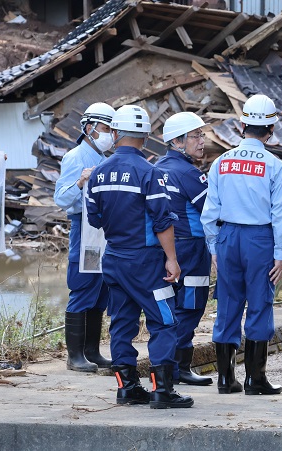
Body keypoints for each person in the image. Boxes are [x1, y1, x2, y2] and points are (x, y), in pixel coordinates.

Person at [86, 105, 193, 409]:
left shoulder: (98, 174)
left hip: (114, 260)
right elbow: (162, 221)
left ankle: (127, 388)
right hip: (146, 263)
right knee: (164, 321)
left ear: (116, 134)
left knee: (122, 322)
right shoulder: (151, 173)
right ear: (145, 137)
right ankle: (162, 391)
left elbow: (93, 219)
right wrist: (171, 259)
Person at [200, 94, 282, 396]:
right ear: (271, 130)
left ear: (241, 125)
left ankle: (226, 379)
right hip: (259, 240)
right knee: (259, 302)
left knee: (227, 304)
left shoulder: (221, 162)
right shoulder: (274, 166)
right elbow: (281, 213)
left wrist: (214, 247)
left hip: (227, 237)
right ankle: (256, 379)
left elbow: (209, 212)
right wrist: (280, 254)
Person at [54, 102, 115, 373]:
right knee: (83, 285)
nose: (110, 135)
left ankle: (92, 351)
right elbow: (61, 198)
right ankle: (74, 355)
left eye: (113, 130)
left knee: (101, 287)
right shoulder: (76, 157)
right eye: (105, 129)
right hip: (85, 227)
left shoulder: (106, 159)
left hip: (104, 229)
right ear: (89, 128)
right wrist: (80, 182)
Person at [155, 112, 213, 386]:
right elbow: (212, 211)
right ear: (177, 141)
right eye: (196, 136)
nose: (202, 141)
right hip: (190, 249)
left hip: (163, 249)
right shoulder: (189, 173)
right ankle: (179, 367)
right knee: (190, 306)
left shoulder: (156, 168)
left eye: (202, 135)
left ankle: (173, 366)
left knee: (170, 306)